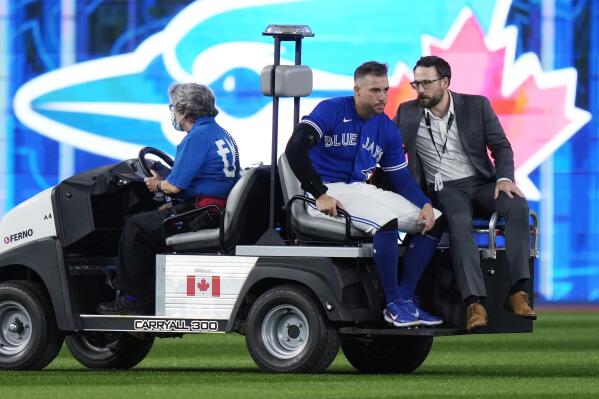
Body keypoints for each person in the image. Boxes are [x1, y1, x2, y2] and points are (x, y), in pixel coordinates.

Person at [285, 61, 444, 328]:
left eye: (385, 89)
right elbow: (295, 149)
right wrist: (319, 192)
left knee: (436, 220)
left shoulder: (386, 127)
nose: (382, 96)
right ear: (356, 90)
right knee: (386, 221)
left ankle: (405, 297)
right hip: (325, 191)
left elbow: (400, 177)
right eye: (374, 90)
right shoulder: (332, 110)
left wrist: (425, 203)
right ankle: (392, 304)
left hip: (359, 188)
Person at [395, 56, 537, 331]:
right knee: (459, 221)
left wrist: (505, 178)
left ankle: (518, 292)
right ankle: (475, 303)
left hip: (482, 183)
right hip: (445, 189)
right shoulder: (407, 112)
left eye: (426, 83)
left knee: (518, 205)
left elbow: (501, 147)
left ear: (445, 82)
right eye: (416, 83)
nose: (420, 89)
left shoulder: (476, 105)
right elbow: (387, 145)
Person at [98, 83, 240, 314]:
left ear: (185, 111)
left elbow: (174, 186)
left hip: (202, 213)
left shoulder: (196, 138)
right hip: (215, 209)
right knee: (152, 221)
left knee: (136, 227)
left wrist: (157, 184)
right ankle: (149, 295)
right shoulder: (222, 134)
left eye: (173, 107)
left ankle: (132, 300)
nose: (172, 112)